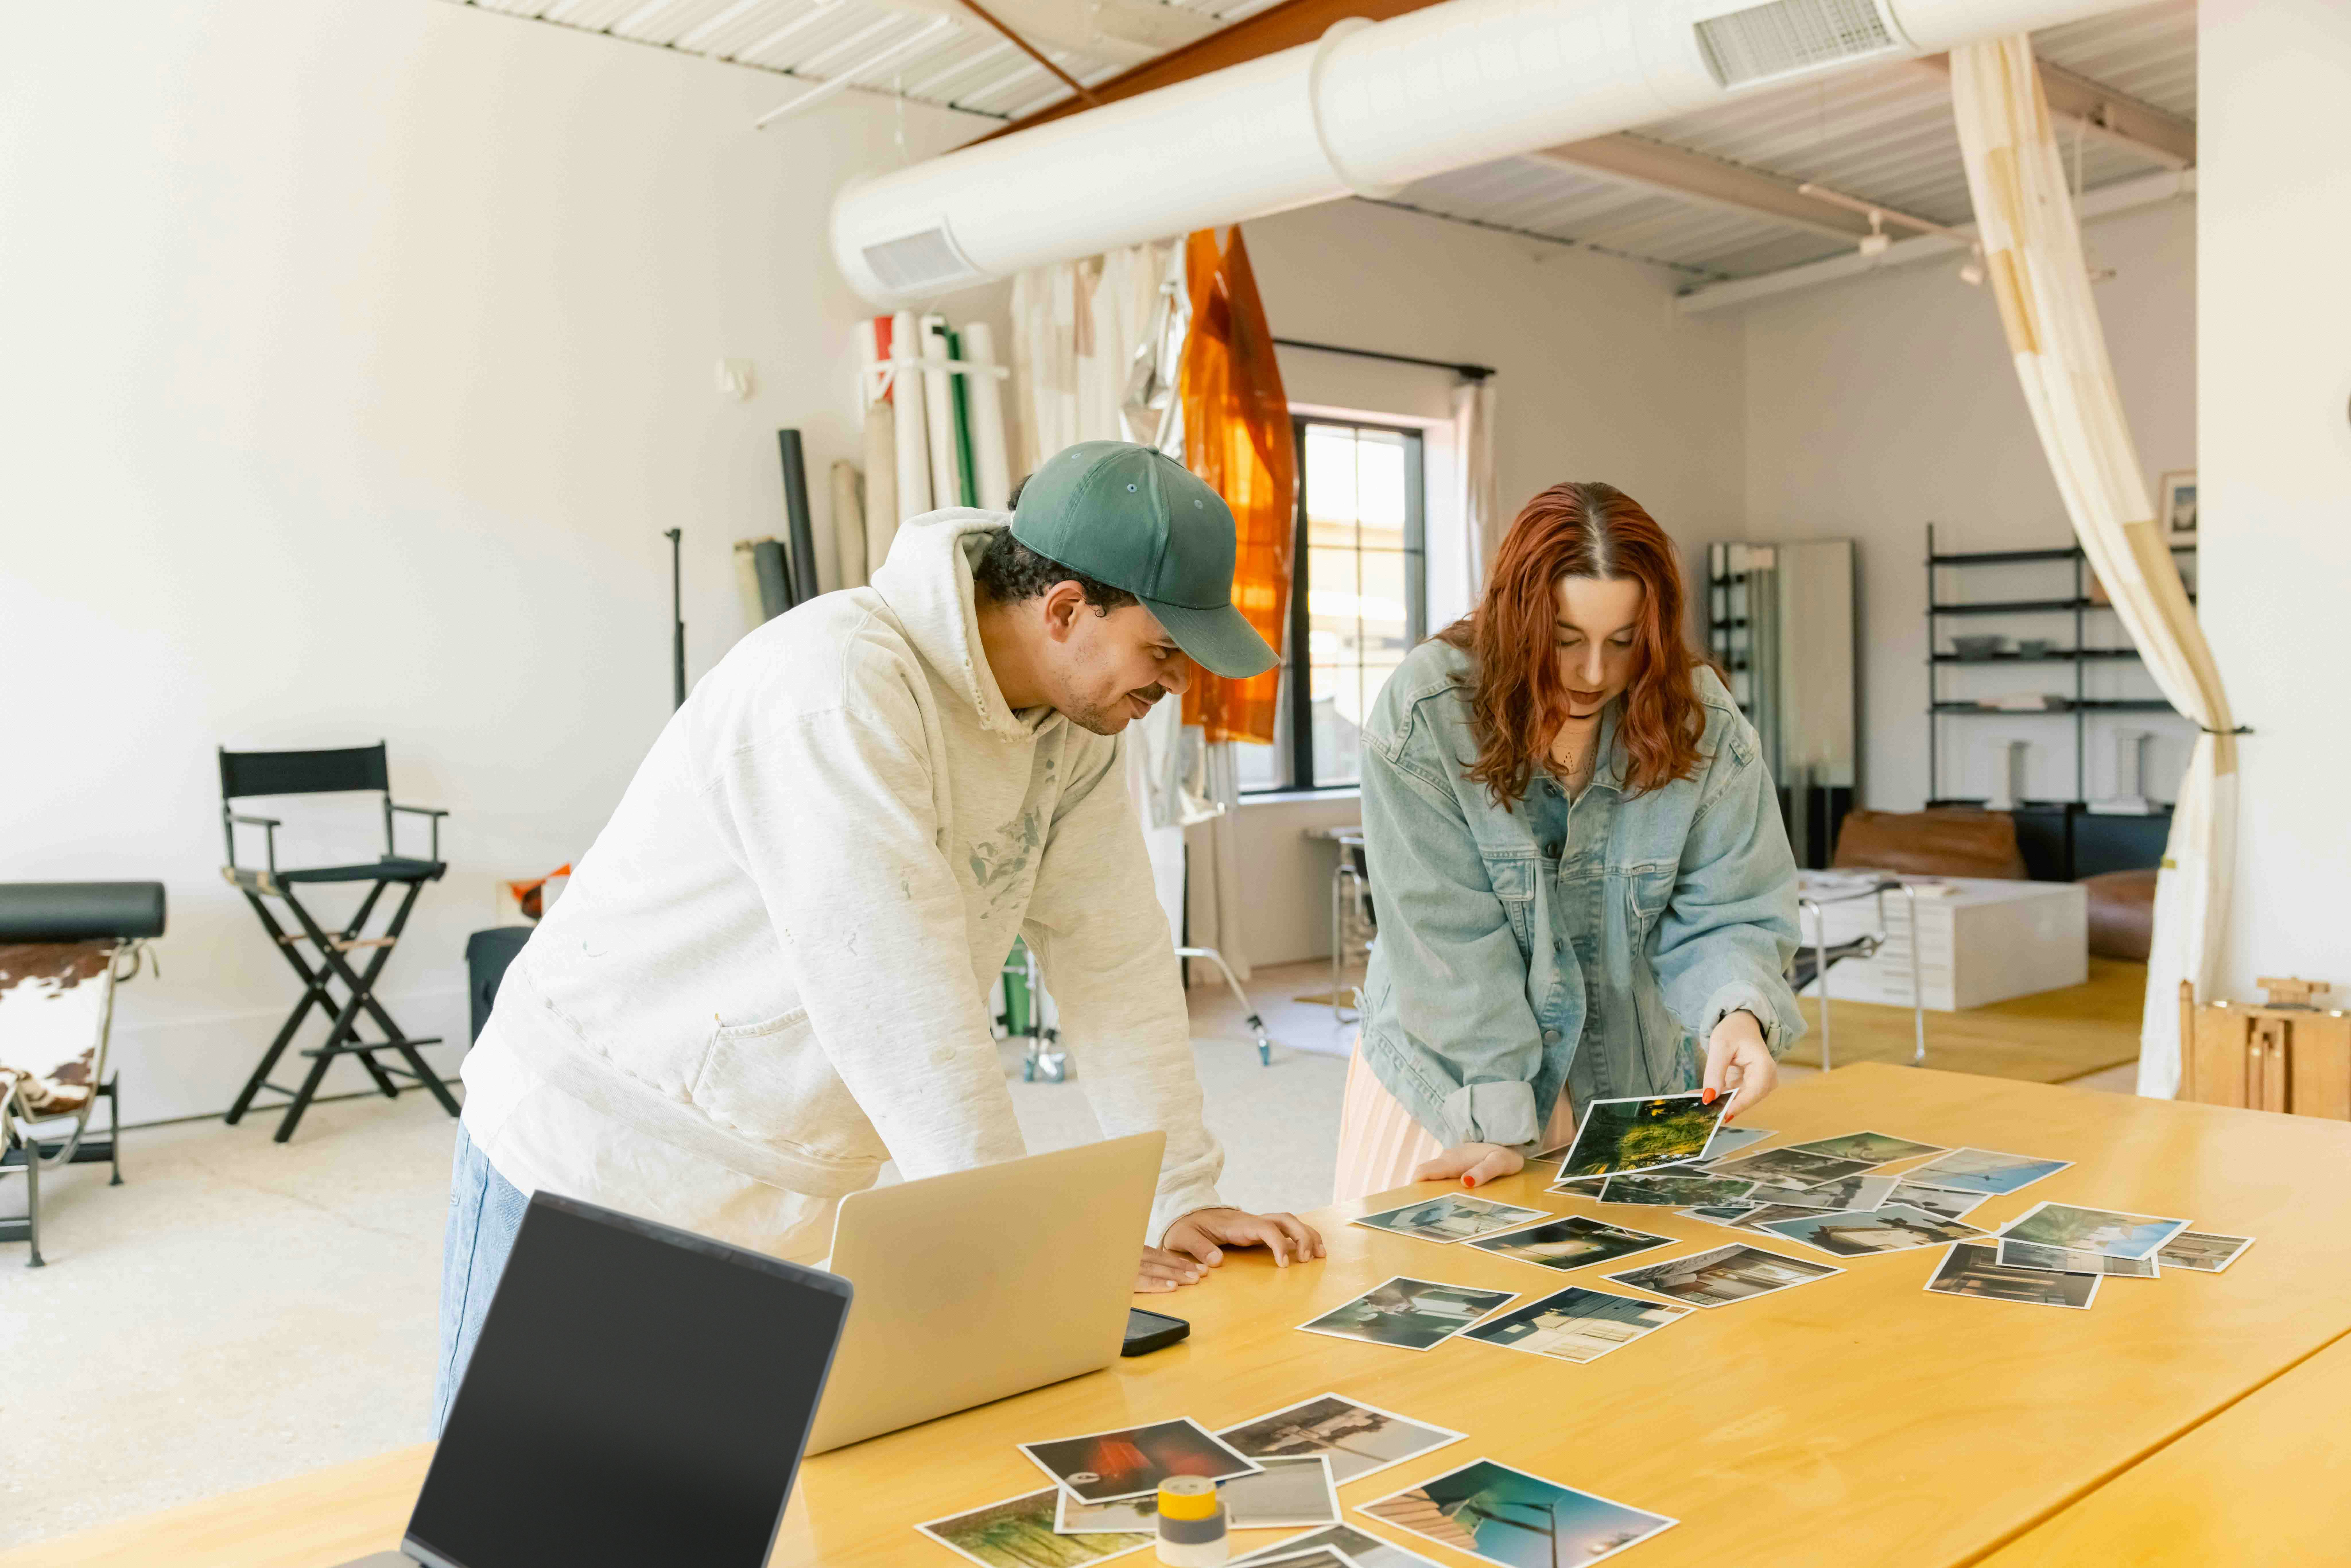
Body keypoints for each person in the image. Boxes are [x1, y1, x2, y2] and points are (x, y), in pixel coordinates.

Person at [440, 440, 1325, 1429]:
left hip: (788, 1175)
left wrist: (1178, 1191)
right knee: (523, 1512)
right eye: (1165, 651)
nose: (1179, 685)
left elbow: (1112, 960)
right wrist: (1016, 1245)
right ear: (1067, 609)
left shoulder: (1073, 734)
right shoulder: (834, 687)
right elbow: (896, 1002)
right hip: (597, 1149)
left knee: (700, 1495)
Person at [1332, 481, 1801, 1201]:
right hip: (1454, 1074)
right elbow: (1448, 941)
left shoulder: (1700, 719)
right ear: (1515, 617)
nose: (1593, 673)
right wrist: (1494, 1116)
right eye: (1564, 640)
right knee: (1437, 1294)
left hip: (1628, 1068)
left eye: (1622, 643)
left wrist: (1737, 1008)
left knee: (1645, 1295)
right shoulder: (1427, 707)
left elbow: (1730, 904)